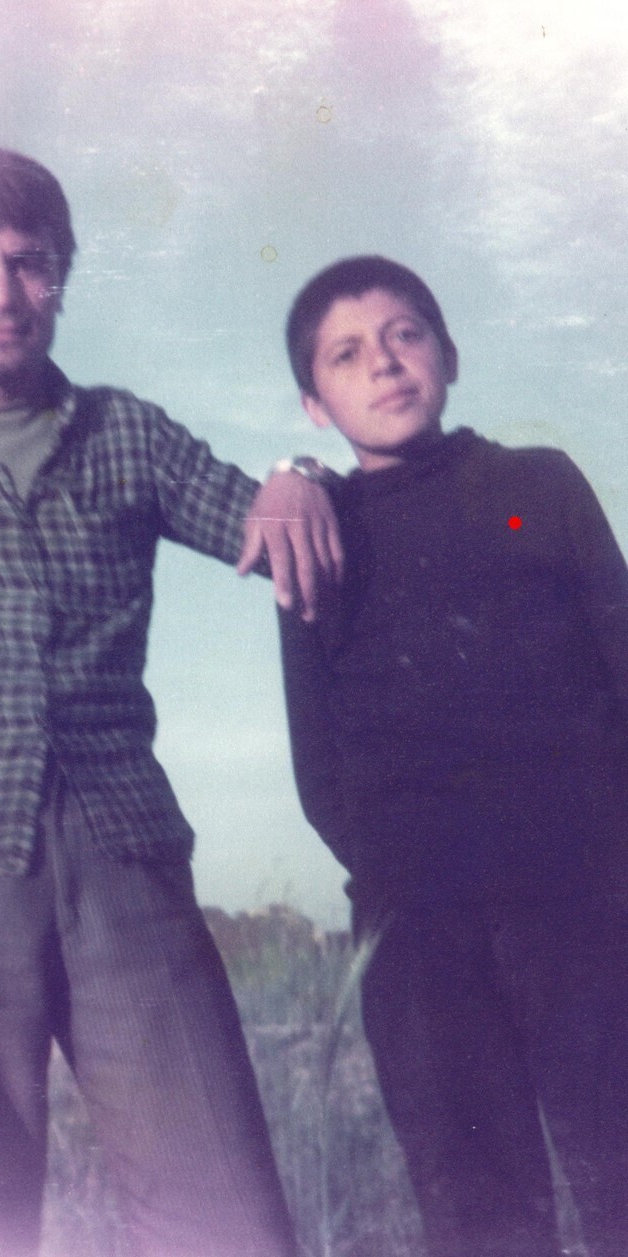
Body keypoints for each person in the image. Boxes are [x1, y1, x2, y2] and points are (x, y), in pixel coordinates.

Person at [0, 144, 343, 1257]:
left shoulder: (126, 432)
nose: (2, 293)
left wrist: (300, 473)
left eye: (29, 263)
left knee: (230, 1222)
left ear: (61, 275)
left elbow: (267, 527)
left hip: (126, 868)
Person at [277, 255, 628, 1257]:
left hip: (584, 909)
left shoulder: (536, 486)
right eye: (346, 355)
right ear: (314, 405)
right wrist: (407, 873)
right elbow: (319, 766)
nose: (383, 364)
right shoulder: (319, 532)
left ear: (449, 354)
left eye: (404, 335)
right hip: (421, 938)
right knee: (478, 1214)